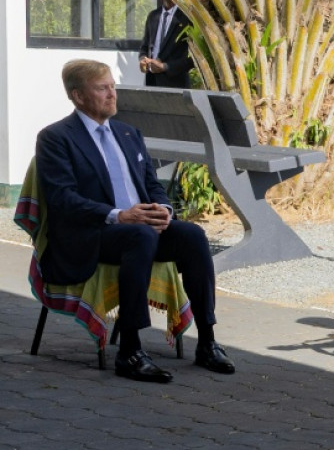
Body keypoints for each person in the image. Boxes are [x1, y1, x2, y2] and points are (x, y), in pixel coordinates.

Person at [35, 59, 234, 383]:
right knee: (139, 237)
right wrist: (119, 215)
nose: (112, 94)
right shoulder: (56, 137)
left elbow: (152, 185)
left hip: (141, 226)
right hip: (95, 232)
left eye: (113, 86)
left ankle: (208, 342)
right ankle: (130, 350)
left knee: (193, 235)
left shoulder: (128, 133)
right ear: (78, 96)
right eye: (102, 88)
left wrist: (163, 210)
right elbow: (62, 198)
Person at [138, 0, 194, 88]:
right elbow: (144, 47)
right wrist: (143, 60)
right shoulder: (153, 16)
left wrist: (165, 66)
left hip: (176, 84)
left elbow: (192, 59)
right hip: (152, 82)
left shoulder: (187, 18)